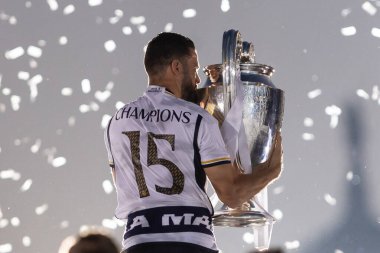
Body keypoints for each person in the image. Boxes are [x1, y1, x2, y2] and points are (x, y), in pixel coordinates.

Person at [104, 32, 283, 253]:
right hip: (190, 242)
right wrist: (271, 170)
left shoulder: (117, 121)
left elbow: (123, 183)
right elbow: (231, 195)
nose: (198, 80)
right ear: (177, 67)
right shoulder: (198, 119)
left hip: (137, 243)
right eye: (195, 69)